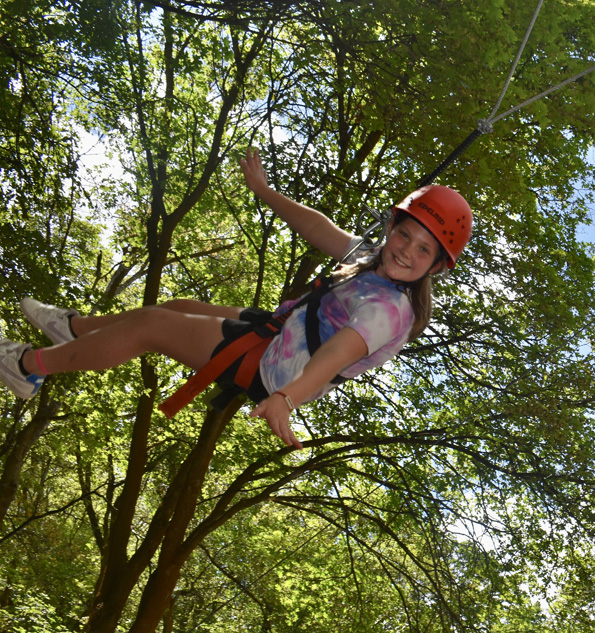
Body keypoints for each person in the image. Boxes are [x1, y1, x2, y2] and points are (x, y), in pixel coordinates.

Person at [0, 147, 472, 448]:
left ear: (437, 265)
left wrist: (287, 398)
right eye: (404, 234)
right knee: (174, 309)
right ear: (392, 227)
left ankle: (27, 366)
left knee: (151, 327)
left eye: (423, 249)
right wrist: (264, 191)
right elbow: (317, 227)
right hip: (279, 331)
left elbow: (336, 355)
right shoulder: (372, 259)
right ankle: (74, 330)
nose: (406, 250)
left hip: (278, 369)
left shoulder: (389, 311)